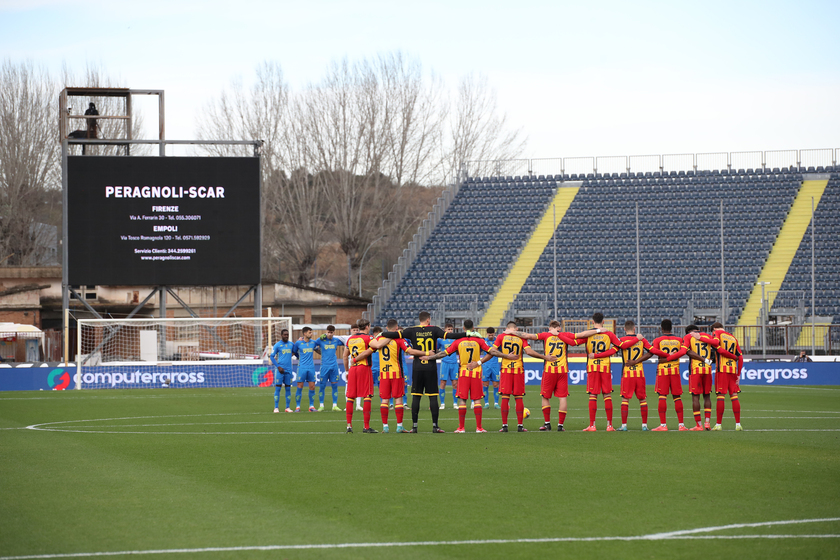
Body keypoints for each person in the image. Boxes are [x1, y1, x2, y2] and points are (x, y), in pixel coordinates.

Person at [376, 311, 468, 433]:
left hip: (417, 367)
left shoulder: (411, 330)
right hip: (430, 366)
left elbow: (394, 334)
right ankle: (435, 426)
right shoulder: (434, 330)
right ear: (428, 320)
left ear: (419, 319)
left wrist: (382, 333)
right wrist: (467, 334)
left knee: (416, 396)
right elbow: (450, 336)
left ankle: (414, 427)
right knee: (433, 397)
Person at [507, 321, 598, 431]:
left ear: (550, 328)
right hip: (562, 370)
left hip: (549, 370)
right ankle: (560, 425)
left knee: (545, 396)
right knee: (562, 398)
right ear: (559, 328)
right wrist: (598, 330)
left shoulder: (546, 335)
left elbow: (527, 335)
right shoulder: (565, 335)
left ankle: (547, 424)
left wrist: (511, 332)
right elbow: (582, 335)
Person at [428, 320, 516, 433]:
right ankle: (479, 427)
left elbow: (444, 353)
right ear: (473, 328)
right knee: (477, 400)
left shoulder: (458, 341)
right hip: (476, 372)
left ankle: (461, 428)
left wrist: (429, 357)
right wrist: (506, 356)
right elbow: (492, 352)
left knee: (463, 401)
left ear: (463, 328)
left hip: (464, 372)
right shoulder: (479, 340)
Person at [587, 320, 651, 431]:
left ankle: (624, 425)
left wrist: (596, 355)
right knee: (642, 399)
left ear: (624, 329)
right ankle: (644, 425)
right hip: (640, 373)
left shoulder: (621, 340)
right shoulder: (642, 339)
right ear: (634, 329)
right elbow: (651, 351)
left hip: (627, 373)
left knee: (625, 399)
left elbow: (612, 351)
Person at [494, 321, 556, 432]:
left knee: (505, 397)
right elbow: (529, 352)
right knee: (518, 398)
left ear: (507, 328)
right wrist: (544, 357)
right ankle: (520, 426)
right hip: (518, 370)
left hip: (506, 370)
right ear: (516, 329)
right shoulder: (521, 338)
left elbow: (493, 351)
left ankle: (504, 426)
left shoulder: (501, 336)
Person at [629, 319, 687, 431]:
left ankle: (663, 425)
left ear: (661, 329)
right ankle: (681, 425)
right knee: (677, 397)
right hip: (675, 371)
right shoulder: (679, 340)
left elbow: (651, 353)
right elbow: (685, 351)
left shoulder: (658, 340)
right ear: (672, 328)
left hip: (663, 371)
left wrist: (637, 361)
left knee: (662, 396)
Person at [371, 319, 426, 433]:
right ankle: (399, 426)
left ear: (386, 328)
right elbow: (411, 351)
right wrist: (426, 353)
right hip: (396, 373)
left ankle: (385, 427)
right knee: (398, 399)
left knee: (385, 400)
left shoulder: (379, 339)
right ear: (396, 329)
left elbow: (372, 346)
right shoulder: (399, 340)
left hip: (384, 374)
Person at [575, 313, 622, 431]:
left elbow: (574, 341)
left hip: (592, 367)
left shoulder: (588, 334)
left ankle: (592, 425)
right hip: (605, 367)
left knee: (593, 395)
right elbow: (618, 347)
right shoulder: (609, 334)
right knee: (607, 395)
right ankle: (609, 425)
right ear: (603, 322)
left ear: (592, 322)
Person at [699, 322, 744, 431]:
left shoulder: (717, 333)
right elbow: (741, 357)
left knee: (721, 396)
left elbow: (716, 344)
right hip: (733, 369)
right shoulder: (733, 337)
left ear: (714, 329)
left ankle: (718, 424)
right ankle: (738, 424)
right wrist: (738, 374)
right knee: (734, 396)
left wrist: (700, 338)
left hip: (722, 369)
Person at [343, 319, 377, 433]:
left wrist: (347, 371)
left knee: (351, 396)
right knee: (367, 395)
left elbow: (344, 356)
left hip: (352, 369)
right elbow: (374, 347)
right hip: (364, 368)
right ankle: (366, 427)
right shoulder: (368, 338)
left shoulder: (350, 339)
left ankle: (349, 426)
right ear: (367, 326)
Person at [683, 325, 716, 430]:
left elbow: (688, 351)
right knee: (707, 396)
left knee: (695, 397)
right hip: (707, 369)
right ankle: (707, 423)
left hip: (695, 369)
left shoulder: (689, 337)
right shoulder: (707, 336)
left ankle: (699, 425)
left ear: (689, 331)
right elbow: (715, 351)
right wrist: (709, 360)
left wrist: (702, 359)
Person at [315, 325, 344, 412]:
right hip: (324, 367)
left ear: (334, 333)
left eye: (331, 333)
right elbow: (313, 344)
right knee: (322, 386)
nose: (330, 334)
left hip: (334, 366)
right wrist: (319, 338)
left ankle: (334, 405)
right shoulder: (321, 340)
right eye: (328, 332)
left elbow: (346, 342)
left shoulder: (336, 340)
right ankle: (321, 405)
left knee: (335, 386)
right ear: (326, 332)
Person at [268, 328, 295, 413]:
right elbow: (272, 356)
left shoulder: (291, 344)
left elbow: (295, 352)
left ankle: (287, 407)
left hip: (289, 370)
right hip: (280, 370)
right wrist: (278, 366)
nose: (286, 336)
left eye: (287, 334)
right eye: (285, 335)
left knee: (288, 389)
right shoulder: (277, 345)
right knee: (278, 389)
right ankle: (276, 407)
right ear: (281, 335)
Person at [293, 326, 319, 412]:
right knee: (300, 386)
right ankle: (297, 407)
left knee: (312, 386)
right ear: (304, 333)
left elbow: (318, 350)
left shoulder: (313, 343)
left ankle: (311, 406)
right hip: (302, 367)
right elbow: (294, 352)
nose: (311, 334)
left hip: (311, 367)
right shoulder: (298, 343)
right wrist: (299, 357)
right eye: (309, 332)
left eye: (311, 332)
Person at [437, 323, 459, 409]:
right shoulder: (440, 340)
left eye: (451, 329)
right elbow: (436, 349)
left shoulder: (455, 340)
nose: (450, 331)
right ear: (445, 330)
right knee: (443, 383)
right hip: (445, 363)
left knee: (455, 384)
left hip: (454, 363)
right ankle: (442, 403)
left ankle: (455, 403)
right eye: (448, 329)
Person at [482, 327, 501, 409]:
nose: (490, 336)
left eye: (492, 334)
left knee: (496, 384)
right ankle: (486, 403)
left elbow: (501, 351)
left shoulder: (497, 341)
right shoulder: (483, 342)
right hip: (486, 366)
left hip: (495, 365)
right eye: (489, 335)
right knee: (485, 384)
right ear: (487, 334)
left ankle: (496, 403)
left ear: (494, 334)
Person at [370, 326, 383, 410]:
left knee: (381, 388)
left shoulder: (382, 342)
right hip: (371, 368)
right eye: (379, 333)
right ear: (375, 334)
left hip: (381, 368)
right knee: (369, 388)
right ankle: (368, 405)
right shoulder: (371, 342)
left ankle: (383, 404)